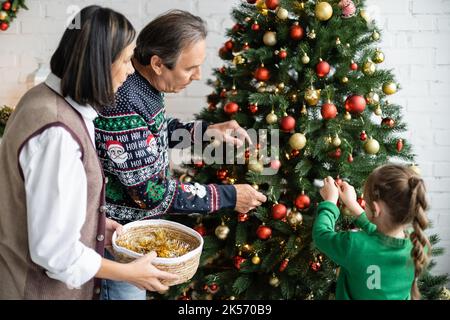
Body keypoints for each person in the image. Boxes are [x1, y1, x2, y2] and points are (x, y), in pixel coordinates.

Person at [0, 6, 178, 300]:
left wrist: (92, 224)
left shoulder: (42, 98)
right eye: (124, 60)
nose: (131, 70)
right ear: (99, 64)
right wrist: (130, 273)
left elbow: (40, 204)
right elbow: (55, 253)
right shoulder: (58, 133)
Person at [94, 10, 267, 300]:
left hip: (131, 236)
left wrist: (205, 131)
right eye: (190, 68)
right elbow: (152, 192)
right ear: (158, 63)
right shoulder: (124, 100)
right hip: (116, 248)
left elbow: (153, 133)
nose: (197, 76)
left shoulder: (143, 85)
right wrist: (229, 196)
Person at [313, 164, 431, 300]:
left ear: (375, 208)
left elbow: (321, 235)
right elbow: (380, 236)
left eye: (366, 202)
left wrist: (330, 202)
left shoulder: (354, 244)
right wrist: (353, 205)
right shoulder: (418, 244)